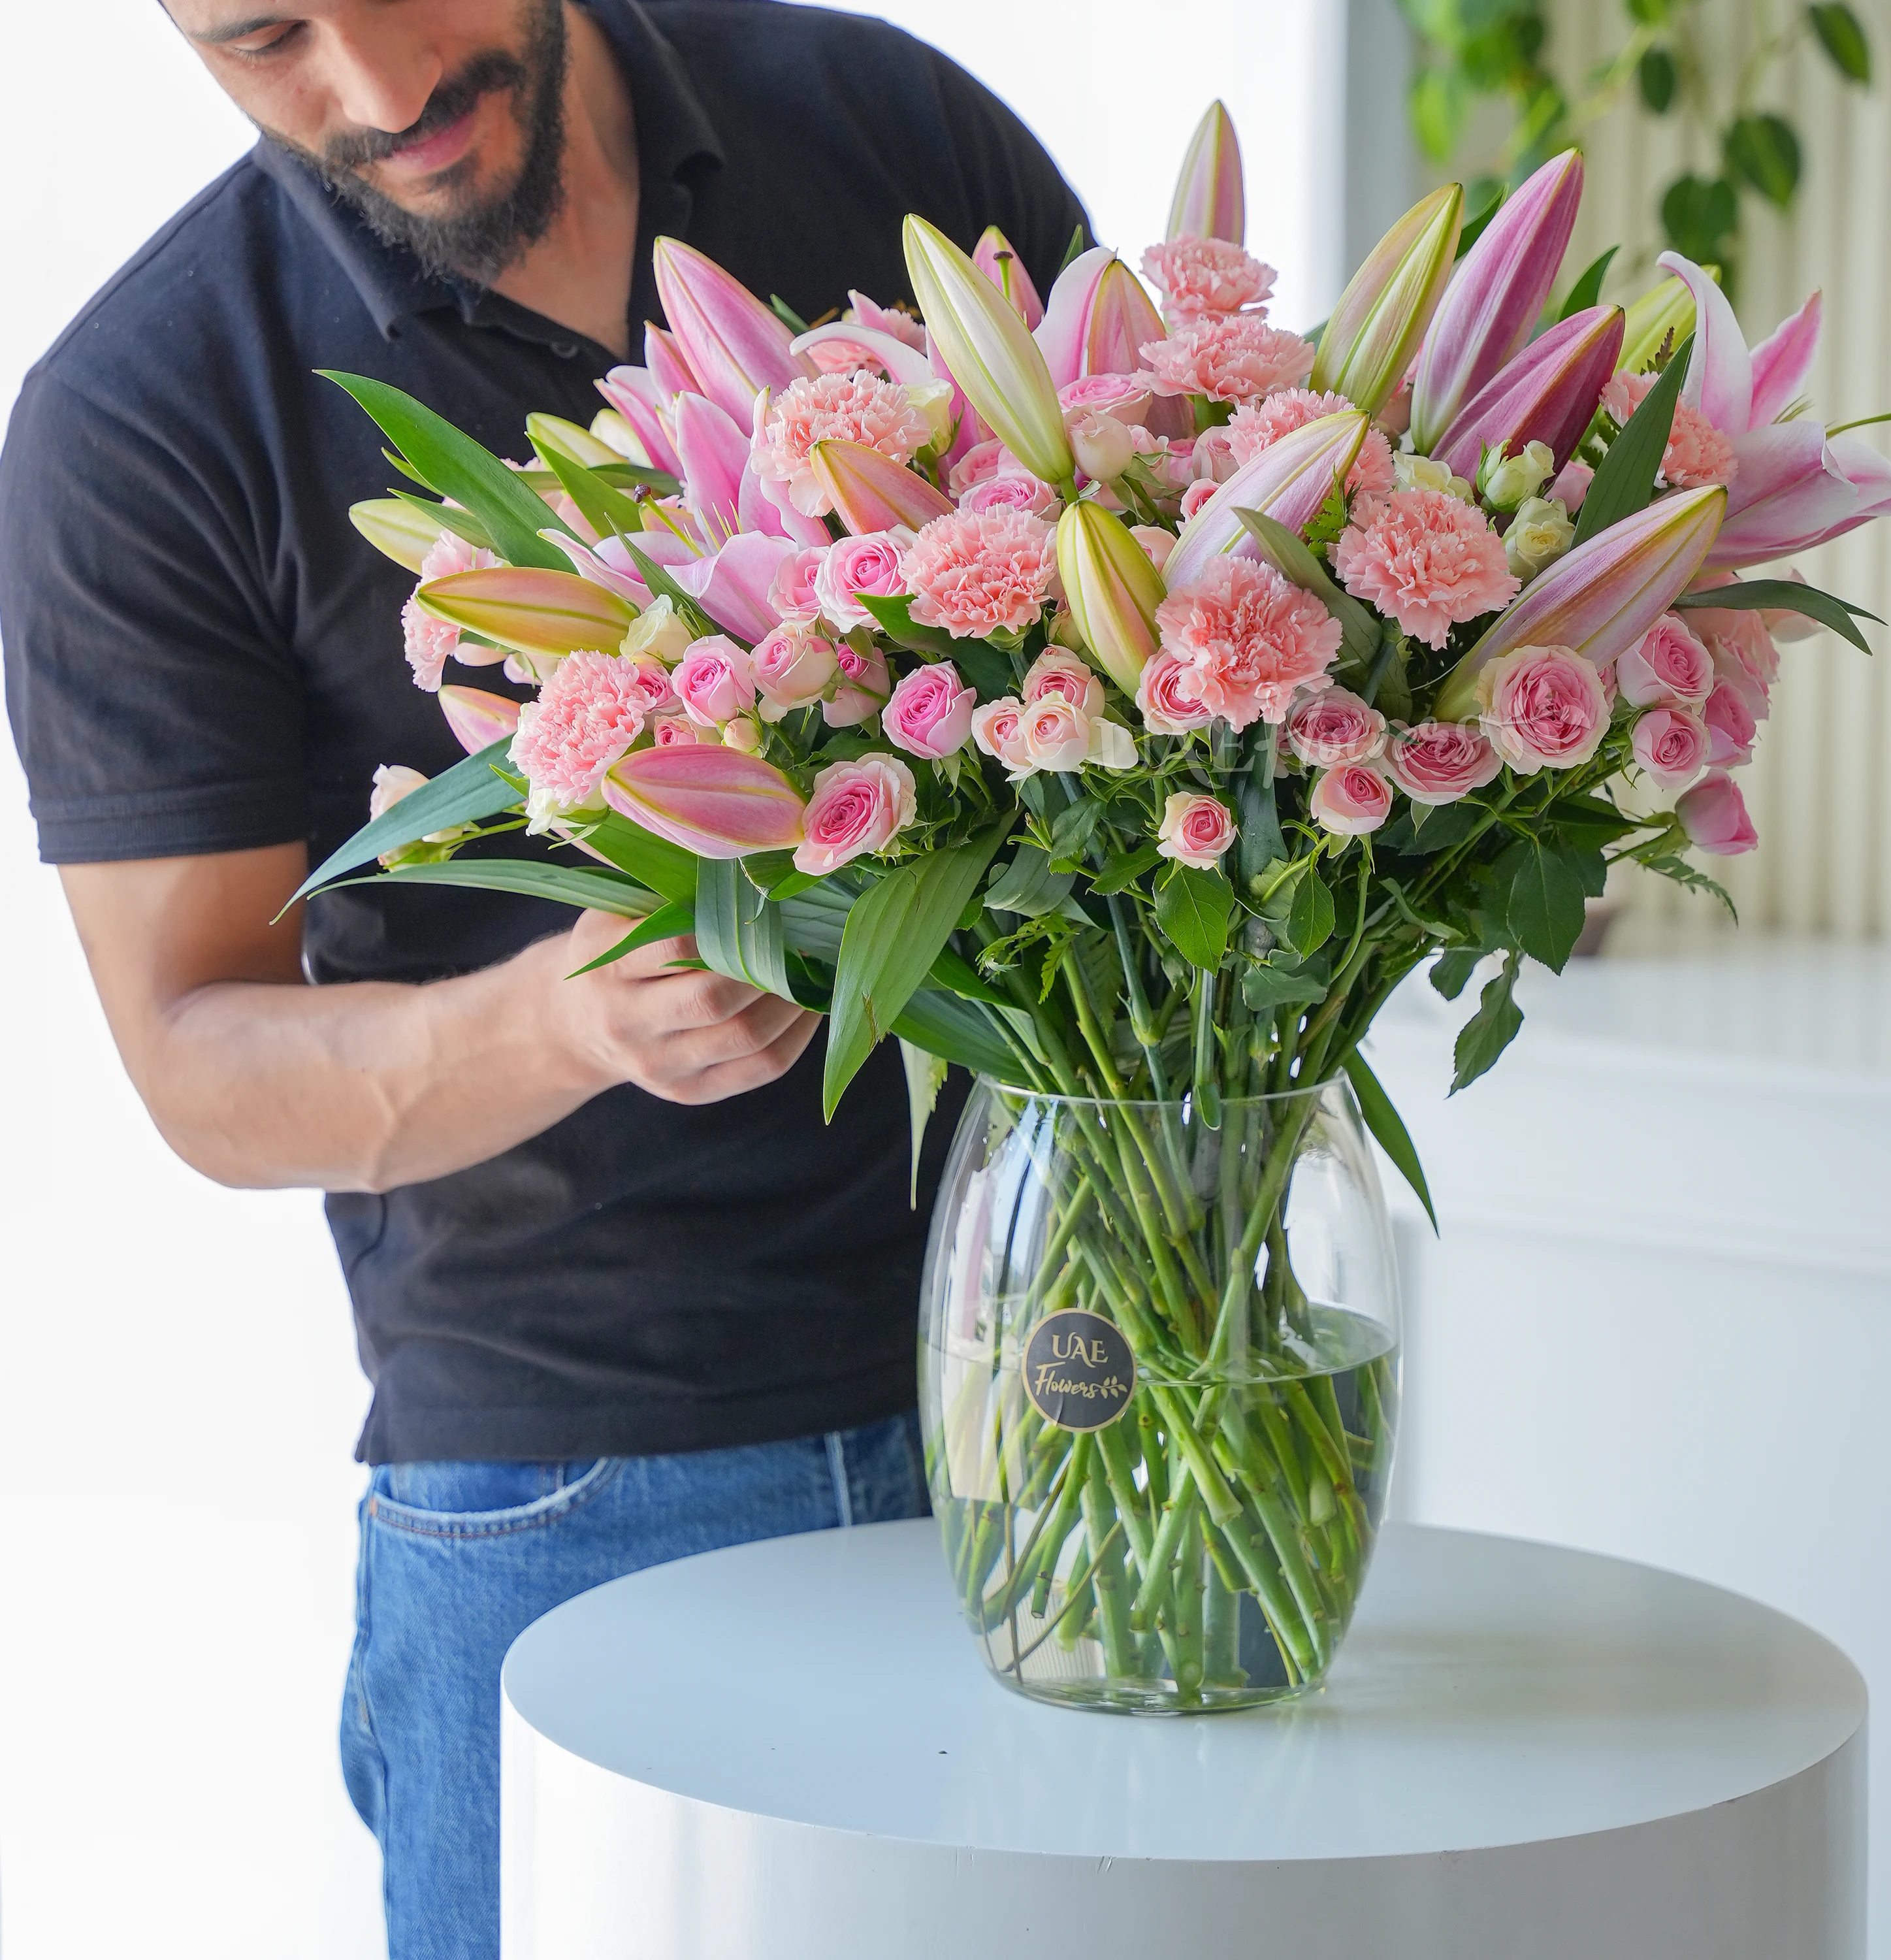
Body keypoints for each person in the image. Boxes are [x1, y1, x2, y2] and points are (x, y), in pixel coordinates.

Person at [0, 3, 1087, 1952]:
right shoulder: (145, 415)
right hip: (578, 1492)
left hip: (1070, 1389)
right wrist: (570, 1020)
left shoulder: (881, 124)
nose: (373, 86)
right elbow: (194, 1055)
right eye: (263, 39)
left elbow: (1158, 578)